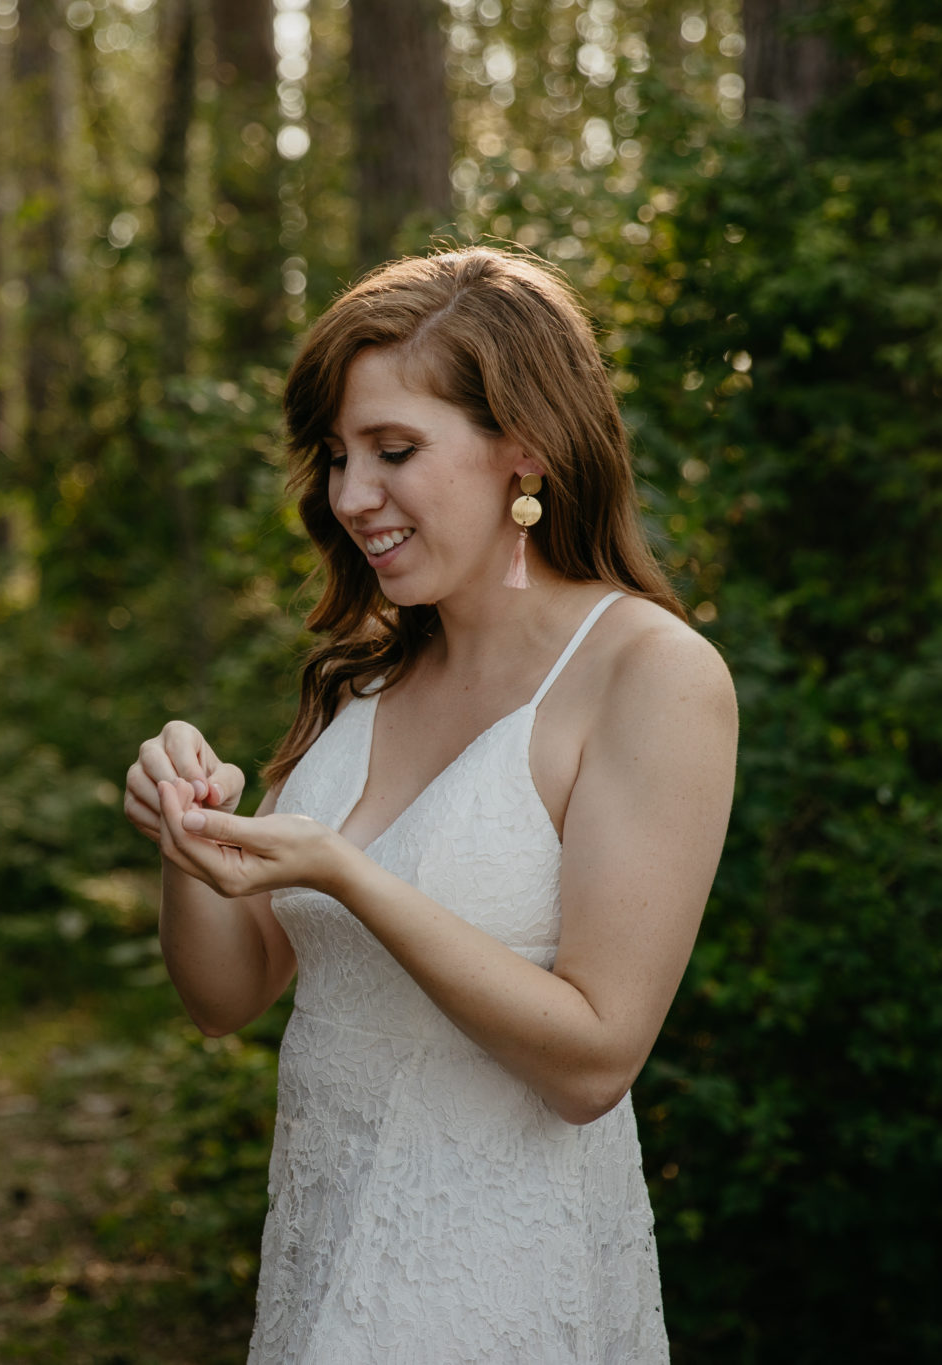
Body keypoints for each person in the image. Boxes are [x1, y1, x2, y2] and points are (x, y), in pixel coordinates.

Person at [122, 246, 736, 1362]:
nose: (350, 496)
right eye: (336, 455)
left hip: (500, 1281)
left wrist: (342, 870)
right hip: (319, 1266)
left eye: (393, 451)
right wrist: (184, 833)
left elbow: (594, 1062)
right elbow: (228, 995)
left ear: (524, 452)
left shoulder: (649, 675)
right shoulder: (359, 676)